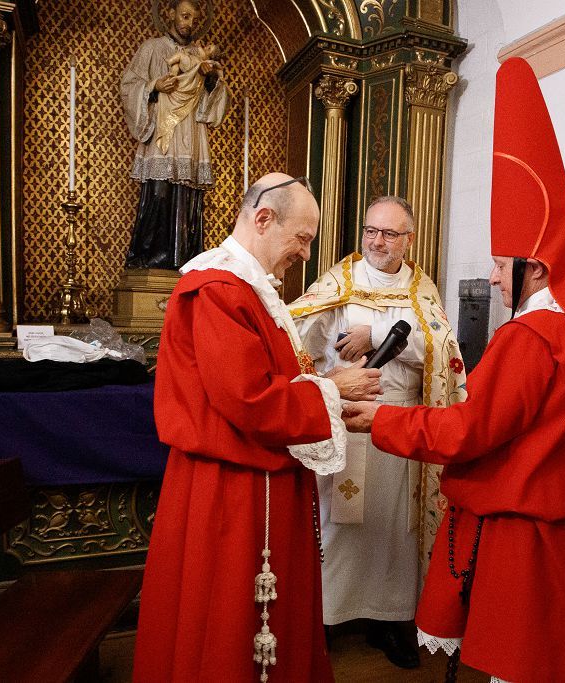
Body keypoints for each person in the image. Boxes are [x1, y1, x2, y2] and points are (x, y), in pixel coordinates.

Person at [341, 58, 565, 682]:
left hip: (535, 544)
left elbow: (468, 431)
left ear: (536, 267)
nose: (492, 278)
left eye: (500, 264)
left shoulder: (531, 337)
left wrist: (380, 421)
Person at [132, 173, 382, 682]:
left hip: (255, 483)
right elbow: (250, 400)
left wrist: (331, 400)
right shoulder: (218, 290)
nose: (305, 254)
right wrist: (331, 390)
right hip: (232, 493)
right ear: (264, 218)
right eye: (302, 238)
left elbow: (275, 381)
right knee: (226, 625)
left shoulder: (249, 289)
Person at [289, 196, 467, 669]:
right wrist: (323, 380)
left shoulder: (421, 289)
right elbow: (296, 341)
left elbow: (445, 351)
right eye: (371, 230)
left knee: (394, 531)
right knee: (337, 526)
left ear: (409, 239)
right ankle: (324, 620)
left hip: (402, 425)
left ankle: (390, 621)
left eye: (389, 233)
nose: (377, 241)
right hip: (348, 421)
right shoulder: (339, 282)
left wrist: (380, 333)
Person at [120, 0, 229, 270]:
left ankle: (185, 260)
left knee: (188, 198)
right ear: (170, 14)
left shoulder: (201, 57)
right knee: (159, 194)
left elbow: (213, 104)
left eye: (193, 19)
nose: (189, 23)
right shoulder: (152, 48)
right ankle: (150, 260)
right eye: (184, 16)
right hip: (163, 132)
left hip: (191, 134)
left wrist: (211, 80)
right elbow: (128, 85)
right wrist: (154, 86)